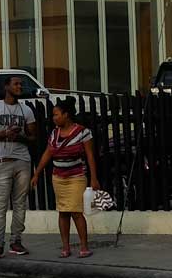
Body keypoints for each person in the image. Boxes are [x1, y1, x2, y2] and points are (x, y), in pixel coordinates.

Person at [0, 74, 38, 261]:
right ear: (6, 87)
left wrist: (20, 137)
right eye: (16, 84)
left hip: (22, 161)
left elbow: (34, 138)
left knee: (20, 204)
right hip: (2, 162)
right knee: (0, 206)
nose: (20, 87)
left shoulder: (26, 110)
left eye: (21, 84)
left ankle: (16, 241)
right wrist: (5, 133)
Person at [32, 98, 98, 259]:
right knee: (63, 212)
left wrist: (94, 178)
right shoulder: (54, 133)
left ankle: (83, 246)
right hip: (58, 177)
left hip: (76, 177)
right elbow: (48, 153)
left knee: (76, 211)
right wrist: (37, 173)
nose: (53, 118)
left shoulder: (83, 132)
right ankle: (66, 247)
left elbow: (90, 156)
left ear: (66, 114)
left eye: (56, 114)